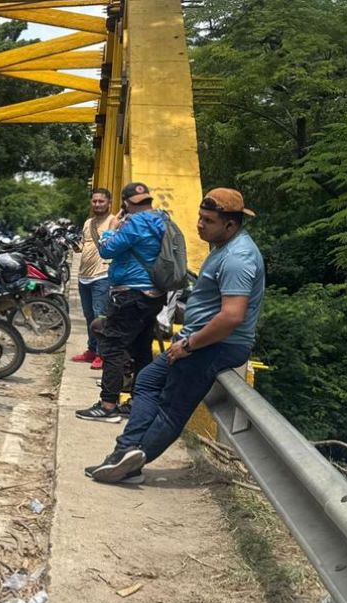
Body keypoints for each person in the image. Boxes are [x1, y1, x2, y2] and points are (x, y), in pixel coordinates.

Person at [88, 188, 264, 484]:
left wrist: (189, 344)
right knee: (146, 380)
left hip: (215, 345)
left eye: (208, 220)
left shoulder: (238, 257)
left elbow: (232, 316)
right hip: (202, 340)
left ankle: (130, 462)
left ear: (230, 224)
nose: (199, 224)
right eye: (199, 217)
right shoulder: (223, 247)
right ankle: (123, 454)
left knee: (172, 408)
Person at [75, 182, 168, 423]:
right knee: (141, 350)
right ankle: (137, 401)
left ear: (125, 204)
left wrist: (112, 228)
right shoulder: (161, 220)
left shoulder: (135, 223)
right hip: (153, 295)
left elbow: (106, 250)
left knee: (113, 346)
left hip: (130, 295)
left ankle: (108, 405)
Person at [72, 188, 120, 370]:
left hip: (102, 275)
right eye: (94, 201)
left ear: (109, 202)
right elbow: (83, 245)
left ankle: (102, 353)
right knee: (89, 315)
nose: (97, 204)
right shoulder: (88, 223)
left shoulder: (114, 221)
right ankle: (91, 350)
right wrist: (75, 246)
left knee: (100, 316)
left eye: (101, 201)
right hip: (84, 275)